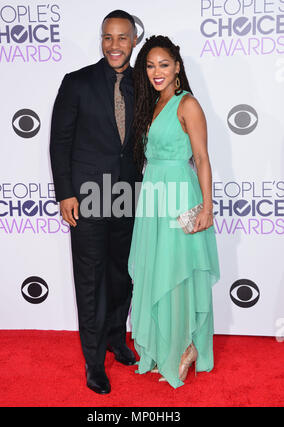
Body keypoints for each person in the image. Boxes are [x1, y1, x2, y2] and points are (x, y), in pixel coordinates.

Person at [50, 10, 141, 394]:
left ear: (134, 41)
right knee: (90, 279)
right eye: (108, 37)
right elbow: (59, 142)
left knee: (122, 274)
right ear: (101, 40)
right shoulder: (77, 82)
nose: (114, 45)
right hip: (87, 196)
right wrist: (65, 193)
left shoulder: (146, 83)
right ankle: (93, 362)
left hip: (128, 194)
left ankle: (116, 339)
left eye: (122, 38)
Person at [128, 35, 220, 388]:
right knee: (157, 271)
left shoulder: (187, 104)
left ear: (177, 66)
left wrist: (207, 206)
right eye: (150, 65)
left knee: (177, 273)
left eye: (164, 64)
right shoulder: (152, 104)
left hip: (181, 195)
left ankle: (184, 348)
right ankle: (165, 347)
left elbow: (201, 158)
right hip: (153, 198)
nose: (157, 72)